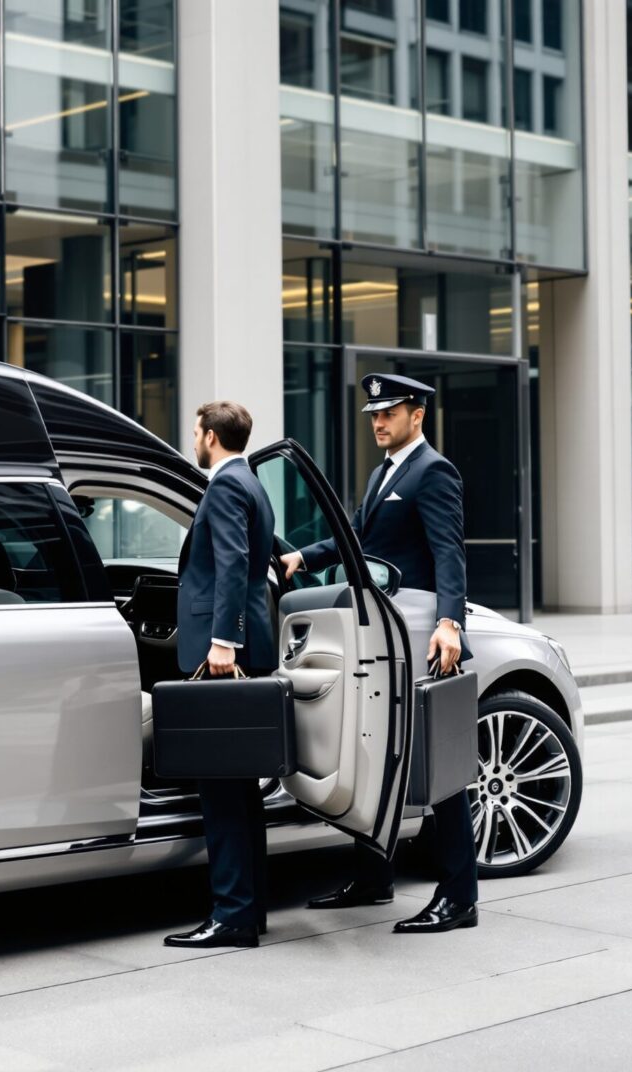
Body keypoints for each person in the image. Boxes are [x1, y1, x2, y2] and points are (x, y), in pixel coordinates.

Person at [276, 373, 478, 935]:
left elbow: (449, 551)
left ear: (418, 415)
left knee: (439, 762)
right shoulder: (384, 472)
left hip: (419, 630)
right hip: (386, 631)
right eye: (374, 415)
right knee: (375, 750)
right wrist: (303, 558)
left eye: (389, 413)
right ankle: (373, 878)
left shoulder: (433, 470)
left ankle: (459, 895)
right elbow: (358, 536)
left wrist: (450, 623)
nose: (378, 422)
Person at [162, 400, 279, 950]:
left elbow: (232, 562)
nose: (193, 440)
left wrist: (223, 641)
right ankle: (248, 910)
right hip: (246, 644)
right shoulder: (252, 482)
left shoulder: (228, 485)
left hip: (224, 653)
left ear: (211, 436)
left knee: (222, 791)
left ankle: (232, 915)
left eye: (195, 432)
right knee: (241, 790)